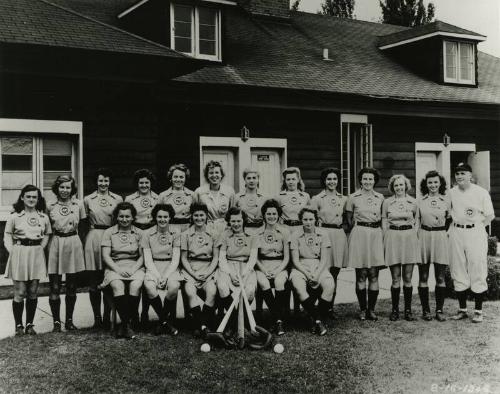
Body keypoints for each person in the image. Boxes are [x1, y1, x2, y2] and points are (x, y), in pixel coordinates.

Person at [448, 163, 494, 323]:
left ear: (470, 175)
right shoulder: (451, 193)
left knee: (477, 266)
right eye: (457, 174)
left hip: (475, 232)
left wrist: (477, 225)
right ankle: (462, 310)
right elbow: (447, 212)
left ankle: (478, 311)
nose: (459, 176)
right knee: (458, 268)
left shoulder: (480, 192)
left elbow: (490, 215)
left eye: (463, 173)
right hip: (456, 232)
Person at [4, 185, 51, 335]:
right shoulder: (14, 216)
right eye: (28, 196)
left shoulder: (43, 217)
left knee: (33, 291)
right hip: (19, 252)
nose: (31, 199)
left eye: (34, 197)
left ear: (38, 199)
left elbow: (48, 234)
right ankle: (18, 326)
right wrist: (13, 252)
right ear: (22, 198)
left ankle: (29, 325)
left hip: (36, 253)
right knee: (20, 292)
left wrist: (41, 248)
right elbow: (7, 236)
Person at [83, 168, 122, 329]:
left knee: (108, 278)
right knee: (94, 281)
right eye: (100, 180)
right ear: (96, 181)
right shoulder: (88, 199)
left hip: (111, 235)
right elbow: (83, 222)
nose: (103, 184)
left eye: (106, 180)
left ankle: (108, 316)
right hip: (93, 237)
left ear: (110, 182)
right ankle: (97, 318)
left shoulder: (117, 198)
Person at [47, 175, 86, 332]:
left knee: (71, 285)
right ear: (57, 188)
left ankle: (69, 321)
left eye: (68, 187)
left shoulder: (79, 204)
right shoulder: (50, 205)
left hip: (73, 242)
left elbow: (83, 226)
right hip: (56, 242)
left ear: (72, 189)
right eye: (62, 187)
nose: (65, 190)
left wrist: (80, 245)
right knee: (55, 286)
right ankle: (56, 322)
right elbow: (46, 227)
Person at [101, 202, 145, 339]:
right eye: (121, 216)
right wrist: (118, 270)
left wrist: (133, 269)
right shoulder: (109, 232)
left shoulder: (140, 233)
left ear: (133, 218)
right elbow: (105, 256)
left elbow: (143, 256)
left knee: (136, 285)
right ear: (116, 217)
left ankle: (124, 325)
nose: (124, 219)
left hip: (135, 266)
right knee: (117, 285)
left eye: (127, 216)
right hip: (115, 266)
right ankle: (127, 325)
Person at [346, 167, 385, 321]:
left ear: (374, 181)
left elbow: (383, 218)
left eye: (371, 179)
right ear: (360, 180)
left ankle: (371, 310)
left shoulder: (380, 197)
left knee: (374, 274)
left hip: (375, 234)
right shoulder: (353, 197)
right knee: (361, 274)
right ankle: (362, 309)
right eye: (365, 179)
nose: (368, 182)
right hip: (360, 234)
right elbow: (349, 219)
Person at [310, 167, 348, 317]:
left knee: (334, 273)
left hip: (338, 235)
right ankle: (316, 307)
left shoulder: (344, 199)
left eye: (334, 179)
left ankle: (329, 307)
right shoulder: (317, 199)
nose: (332, 182)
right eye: (329, 179)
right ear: (324, 181)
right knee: (320, 271)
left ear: (338, 181)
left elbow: (348, 218)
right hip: (322, 234)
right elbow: (311, 219)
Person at [382, 174, 420, 321]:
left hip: (409, 238)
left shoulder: (413, 202)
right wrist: (386, 238)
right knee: (395, 278)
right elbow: (384, 221)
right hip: (393, 237)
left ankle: (408, 310)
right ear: (393, 187)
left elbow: (417, 221)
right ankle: (395, 310)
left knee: (408, 277)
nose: (399, 187)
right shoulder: (387, 203)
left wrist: (413, 234)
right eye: (396, 185)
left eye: (401, 185)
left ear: (406, 186)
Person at [289, 207, 333, 335]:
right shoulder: (295, 235)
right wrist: (308, 275)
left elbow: (324, 259)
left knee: (330, 286)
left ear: (316, 220)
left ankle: (314, 319)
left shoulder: (323, 233)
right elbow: (295, 260)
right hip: (300, 267)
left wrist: (317, 274)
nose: (308, 222)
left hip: (318, 266)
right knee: (298, 287)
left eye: (311, 219)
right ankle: (318, 320)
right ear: (301, 220)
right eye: (305, 219)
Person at [141, 204, 180, 335]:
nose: (162, 219)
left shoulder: (176, 233)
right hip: (153, 268)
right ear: (155, 218)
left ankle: (162, 322)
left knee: (174, 287)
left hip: (170, 267)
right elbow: (148, 260)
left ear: (170, 218)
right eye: (159, 217)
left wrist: (165, 276)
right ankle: (165, 322)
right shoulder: (147, 234)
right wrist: (158, 277)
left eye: (165, 217)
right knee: (150, 287)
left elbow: (175, 259)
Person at [125, 168, 158, 325]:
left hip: (151, 233)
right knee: (139, 273)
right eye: (141, 182)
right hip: (136, 233)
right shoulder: (130, 199)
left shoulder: (158, 198)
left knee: (148, 274)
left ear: (150, 184)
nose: (144, 185)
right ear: (137, 184)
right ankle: (134, 313)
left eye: (146, 182)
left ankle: (145, 312)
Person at [180, 203, 219, 336]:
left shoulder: (214, 233)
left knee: (212, 292)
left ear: (206, 216)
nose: (199, 218)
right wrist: (194, 274)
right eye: (196, 215)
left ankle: (201, 325)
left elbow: (215, 258)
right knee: (190, 292)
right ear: (192, 216)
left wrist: (208, 273)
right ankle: (203, 325)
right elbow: (184, 258)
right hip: (191, 269)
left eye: (201, 215)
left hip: (208, 269)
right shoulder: (185, 234)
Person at [217, 207, 258, 330]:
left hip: (246, 268)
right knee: (222, 287)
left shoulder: (252, 235)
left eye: (238, 221)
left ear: (243, 221)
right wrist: (230, 274)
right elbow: (222, 258)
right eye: (233, 221)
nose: (236, 224)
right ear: (229, 221)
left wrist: (244, 274)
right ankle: (236, 322)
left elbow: (253, 258)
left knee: (250, 290)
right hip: (228, 267)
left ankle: (236, 323)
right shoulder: (225, 235)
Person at [276, 166, 310, 315]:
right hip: (285, 231)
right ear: (285, 181)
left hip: (300, 232)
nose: (291, 182)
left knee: (297, 268)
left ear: (298, 180)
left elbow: (309, 216)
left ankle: (297, 307)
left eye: (293, 179)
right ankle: (284, 308)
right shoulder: (279, 196)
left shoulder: (305, 196)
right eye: (288, 179)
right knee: (287, 268)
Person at [417, 170, 450, 321]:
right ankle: (426, 310)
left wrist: (444, 233)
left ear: (440, 183)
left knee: (440, 276)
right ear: (426, 184)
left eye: (436, 182)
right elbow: (416, 221)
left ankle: (439, 310)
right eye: (430, 182)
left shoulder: (446, 201)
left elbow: (450, 221)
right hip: (424, 236)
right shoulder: (420, 201)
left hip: (440, 236)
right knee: (423, 275)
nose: (433, 185)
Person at [255, 199, 290, 335]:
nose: (271, 217)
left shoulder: (285, 232)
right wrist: (264, 270)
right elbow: (255, 257)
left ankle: (276, 320)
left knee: (279, 282)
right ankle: (278, 320)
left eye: (274, 214)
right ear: (264, 215)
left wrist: (277, 270)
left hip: (279, 265)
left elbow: (286, 257)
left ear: (278, 215)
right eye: (268, 214)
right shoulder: (257, 233)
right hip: (262, 266)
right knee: (264, 283)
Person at [193, 160, 235, 238]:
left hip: (225, 229)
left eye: (217, 172)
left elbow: (233, 213)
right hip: (206, 228)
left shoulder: (229, 191)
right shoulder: (199, 192)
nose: (214, 175)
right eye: (211, 173)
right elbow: (194, 212)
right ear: (207, 175)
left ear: (221, 175)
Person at [158, 164, 194, 233]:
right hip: (169, 229)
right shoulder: (163, 195)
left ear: (185, 178)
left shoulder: (192, 195)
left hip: (187, 229)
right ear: (171, 178)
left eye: (181, 177)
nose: (178, 179)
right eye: (175, 177)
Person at [235, 168, 266, 235]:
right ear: (245, 180)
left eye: (254, 178)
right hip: (244, 231)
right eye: (248, 178)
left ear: (258, 180)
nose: (251, 181)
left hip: (261, 231)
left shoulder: (264, 198)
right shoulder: (237, 197)